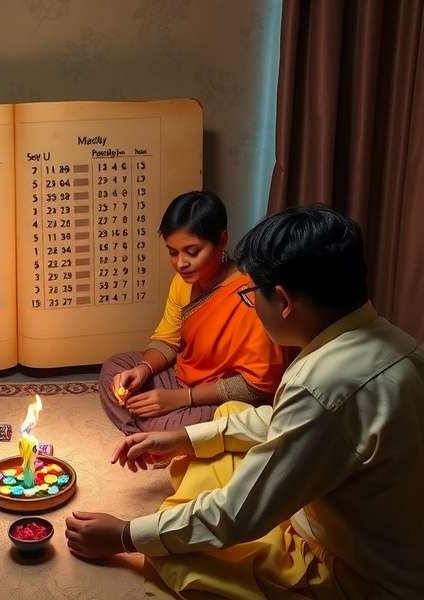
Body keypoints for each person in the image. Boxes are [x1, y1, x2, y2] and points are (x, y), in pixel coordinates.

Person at [66, 206, 424, 598]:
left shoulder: (320, 385)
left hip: (354, 571)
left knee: (180, 557)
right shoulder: (398, 343)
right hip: (330, 512)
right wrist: (183, 438)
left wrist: (124, 535)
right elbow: (278, 419)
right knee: (228, 422)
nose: (181, 263)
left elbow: (236, 515)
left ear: (283, 300)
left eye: (254, 295)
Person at [100, 191, 286, 433]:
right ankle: (150, 436)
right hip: (182, 376)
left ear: (221, 241)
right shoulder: (183, 281)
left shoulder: (249, 294)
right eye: (172, 252)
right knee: (115, 369)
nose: (180, 263)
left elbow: (256, 386)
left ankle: (155, 436)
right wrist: (142, 369)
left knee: (207, 422)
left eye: (192, 251)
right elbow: (168, 341)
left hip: (222, 398)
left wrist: (182, 398)